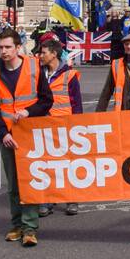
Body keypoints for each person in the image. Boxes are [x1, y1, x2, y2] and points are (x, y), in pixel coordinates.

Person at [0, 29, 53, 247]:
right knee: (13, 185)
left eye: (8, 47)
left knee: (29, 182)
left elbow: (46, 100)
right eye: (1, 47)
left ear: (17, 48)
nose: (4, 51)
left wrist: (29, 112)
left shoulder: (34, 68)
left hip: (31, 135)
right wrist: (2, 134)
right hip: (8, 137)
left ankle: (30, 227)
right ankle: (17, 224)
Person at [36, 35, 82, 219]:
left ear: (54, 54)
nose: (40, 55)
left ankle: (72, 199)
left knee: (68, 163)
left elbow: (76, 103)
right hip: (43, 125)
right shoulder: (38, 73)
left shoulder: (69, 75)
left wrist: (78, 127)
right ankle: (47, 200)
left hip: (65, 125)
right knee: (46, 164)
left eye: (43, 52)